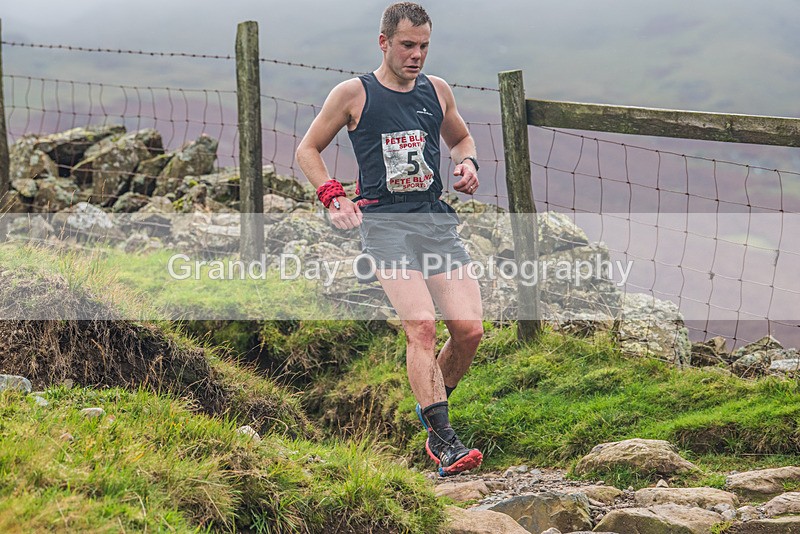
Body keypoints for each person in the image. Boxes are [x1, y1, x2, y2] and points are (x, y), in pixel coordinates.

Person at [296, 2, 484, 476]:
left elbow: (461, 139)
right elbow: (308, 149)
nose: (416, 55)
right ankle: (445, 440)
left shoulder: (437, 90)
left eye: (423, 46)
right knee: (421, 326)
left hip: (434, 220)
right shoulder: (353, 94)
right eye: (407, 45)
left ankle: (431, 410)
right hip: (384, 224)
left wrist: (467, 163)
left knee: (469, 332)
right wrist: (334, 196)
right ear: (384, 42)